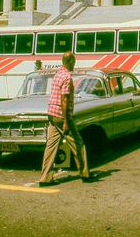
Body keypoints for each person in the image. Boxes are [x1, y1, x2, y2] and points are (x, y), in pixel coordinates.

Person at [39, 51, 91, 186]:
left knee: (50, 146)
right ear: (69, 62)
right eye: (74, 62)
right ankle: (84, 173)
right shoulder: (67, 77)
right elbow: (64, 100)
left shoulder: (57, 74)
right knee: (78, 143)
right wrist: (66, 122)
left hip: (52, 113)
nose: (75, 64)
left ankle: (45, 178)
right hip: (62, 116)